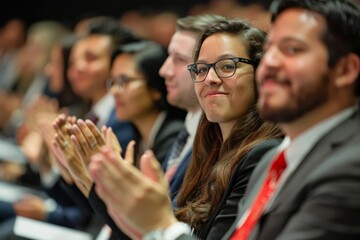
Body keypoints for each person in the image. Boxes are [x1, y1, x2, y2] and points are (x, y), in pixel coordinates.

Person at [88, 0, 360, 239]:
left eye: (291, 49)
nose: (271, 63)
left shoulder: (348, 169)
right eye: (202, 68)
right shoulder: (271, 159)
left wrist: (161, 225)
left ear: (346, 69)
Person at [89, 17, 283, 239]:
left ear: (261, 74)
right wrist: (91, 180)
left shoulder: (262, 155)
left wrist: (159, 221)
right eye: (201, 69)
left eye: (227, 66)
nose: (210, 79)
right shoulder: (206, 151)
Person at [159, 14, 225, 204]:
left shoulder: (219, 142)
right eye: (168, 56)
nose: (164, 70)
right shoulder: (187, 130)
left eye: (178, 60)